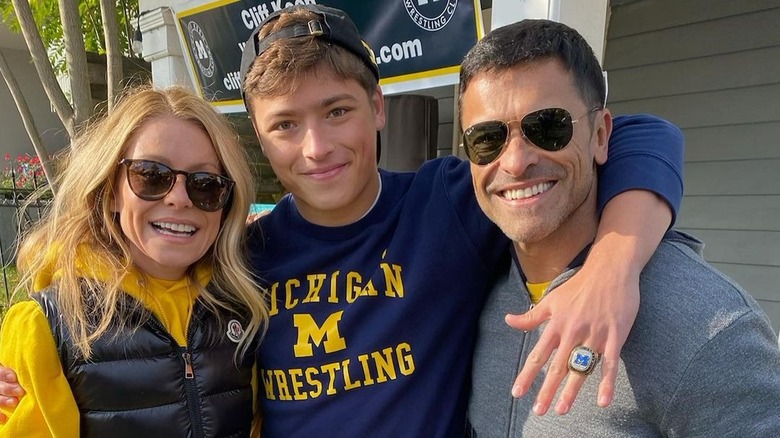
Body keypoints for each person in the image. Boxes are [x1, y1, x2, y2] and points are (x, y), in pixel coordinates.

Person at [0, 5, 684, 436]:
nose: (317, 149)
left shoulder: (445, 204)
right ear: (259, 142)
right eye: (285, 126)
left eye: (337, 112)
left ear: (378, 106)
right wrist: (24, 352)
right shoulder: (241, 258)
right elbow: (134, 289)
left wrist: (612, 266)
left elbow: (638, 136)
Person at [463, 19, 780, 436]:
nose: (516, 161)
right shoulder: (472, 282)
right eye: (487, 138)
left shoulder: (707, 327)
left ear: (600, 135)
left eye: (549, 127)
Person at [0, 85, 268, 437]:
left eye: (205, 184)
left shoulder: (243, 307)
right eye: (151, 176)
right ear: (110, 190)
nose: (179, 199)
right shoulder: (48, 325)